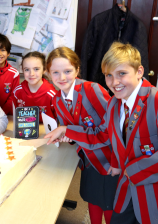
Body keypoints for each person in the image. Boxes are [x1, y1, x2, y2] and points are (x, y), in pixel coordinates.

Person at [49, 42, 158, 224]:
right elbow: (102, 136)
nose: (115, 82)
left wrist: (130, 170)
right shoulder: (114, 104)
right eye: (109, 75)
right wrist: (117, 163)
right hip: (124, 189)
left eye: (122, 74)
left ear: (140, 71)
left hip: (154, 192)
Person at [44, 47, 118, 224]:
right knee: (91, 198)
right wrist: (66, 137)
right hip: (87, 159)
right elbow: (72, 133)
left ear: (77, 70)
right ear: (48, 73)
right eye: (56, 72)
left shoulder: (92, 90)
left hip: (109, 159)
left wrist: (67, 131)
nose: (62, 78)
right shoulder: (56, 100)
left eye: (68, 71)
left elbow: (109, 130)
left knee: (108, 204)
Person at [12, 51, 57, 123]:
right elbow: (16, 116)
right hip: (25, 130)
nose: (31, 74)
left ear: (44, 70)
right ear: (22, 70)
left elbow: (58, 121)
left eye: (36, 69)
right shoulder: (17, 92)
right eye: (27, 69)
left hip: (46, 132)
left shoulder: (52, 95)